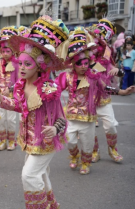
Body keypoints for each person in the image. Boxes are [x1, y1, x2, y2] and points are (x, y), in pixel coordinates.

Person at [0, 16, 68, 208]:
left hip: (45, 142)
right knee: (40, 174)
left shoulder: (49, 89)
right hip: (29, 141)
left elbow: (62, 119)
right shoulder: (20, 85)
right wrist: (2, 100)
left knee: (29, 175)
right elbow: (20, 106)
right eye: (21, 63)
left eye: (28, 64)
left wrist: (55, 129)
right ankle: (51, 204)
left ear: (40, 65)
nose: (22, 68)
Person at [56, 27, 134, 175]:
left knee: (92, 138)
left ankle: (99, 155)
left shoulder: (95, 71)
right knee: (71, 140)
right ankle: (78, 155)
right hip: (72, 115)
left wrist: (122, 90)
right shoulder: (67, 76)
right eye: (80, 63)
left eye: (86, 62)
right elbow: (55, 89)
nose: (84, 66)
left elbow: (105, 86)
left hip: (91, 113)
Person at [87, 21, 126, 163]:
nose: (98, 46)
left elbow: (112, 68)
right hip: (86, 97)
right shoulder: (84, 51)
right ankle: (93, 151)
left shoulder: (108, 52)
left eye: (102, 42)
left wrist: (118, 71)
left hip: (103, 96)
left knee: (110, 126)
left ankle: (112, 149)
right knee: (89, 128)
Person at [0, 26, 19, 151]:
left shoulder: (17, 64)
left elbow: (20, 81)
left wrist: (11, 89)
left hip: (12, 97)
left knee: (11, 120)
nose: (5, 54)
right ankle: (2, 140)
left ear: (13, 51)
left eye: (8, 51)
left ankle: (11, 141)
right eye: (3, 51)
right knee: (1, 119)